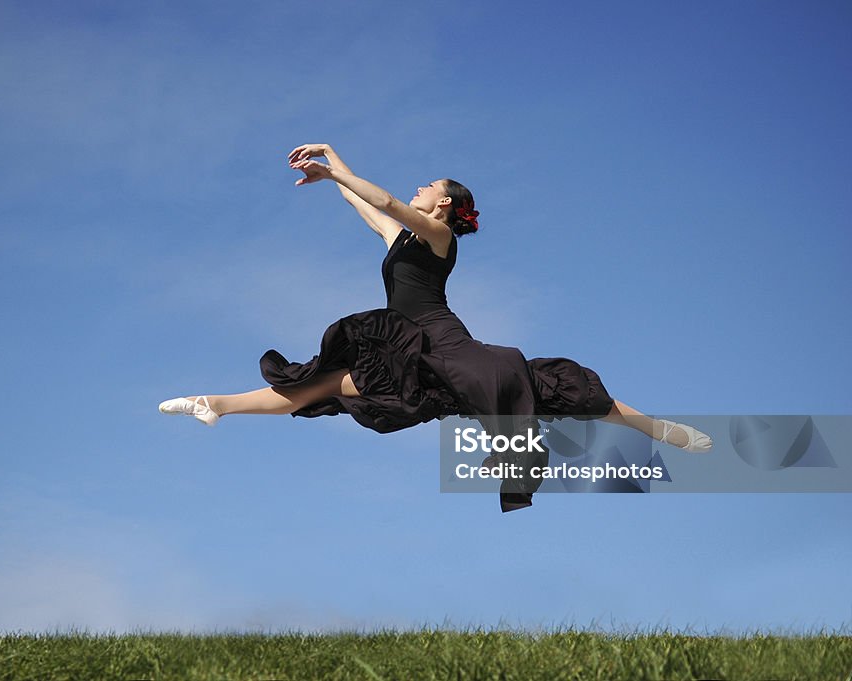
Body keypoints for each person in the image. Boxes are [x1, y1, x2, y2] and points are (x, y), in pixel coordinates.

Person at [159, 144, 712, 511]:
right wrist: (331, 165)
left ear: (442, 203)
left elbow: (388, 201)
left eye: (427, 186)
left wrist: (338, 171)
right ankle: (216, 404)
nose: (417, 188)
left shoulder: (436, 237)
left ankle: (661, 430)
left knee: (554, 389)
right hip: (406, 349)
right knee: (323, 384)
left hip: (444, 343)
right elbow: (368, 206)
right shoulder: (402, 237)